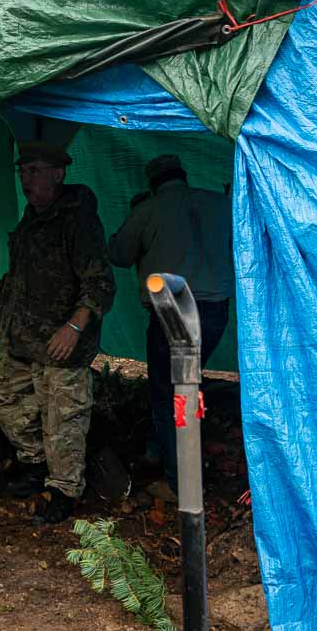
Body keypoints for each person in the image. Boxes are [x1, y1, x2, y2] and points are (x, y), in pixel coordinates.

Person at [0, 141, 115, 526]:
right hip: (24, 339)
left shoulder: (77, 220)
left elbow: (100, 284)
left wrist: (74, 327)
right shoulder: (33, 216)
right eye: (23, 171)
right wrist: (3, 288)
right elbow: (29, 268)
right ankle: (35, 462)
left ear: (59, 174)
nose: (27, 178)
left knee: (63, 419)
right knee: (6, 399)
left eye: (36, 171)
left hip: (61, 345)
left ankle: (63, 489)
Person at [107, 153, 234, 493]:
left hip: (172, 311)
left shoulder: (148, 210)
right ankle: (159, 451)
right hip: (216, 311)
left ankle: (180, 482)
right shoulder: (220, 204)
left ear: (153, 182)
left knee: (169, 393)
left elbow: (118, 254)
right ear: (183, 174)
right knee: (186, 385)